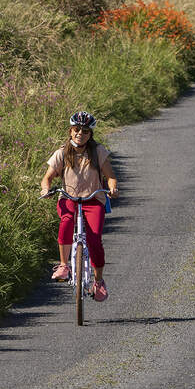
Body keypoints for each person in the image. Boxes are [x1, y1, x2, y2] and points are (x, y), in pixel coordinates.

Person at [40, 111, 119, 301]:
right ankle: (63, 265)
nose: (79, 134)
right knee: (66, 221)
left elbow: (111, 177)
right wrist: (46, 189)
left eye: (84, 131)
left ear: (90, 134)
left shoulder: (98, 152)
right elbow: (47, 178)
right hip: (69, 198)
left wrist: (112, 188)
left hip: (93, 199)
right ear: (70, 131)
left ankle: (98, 282)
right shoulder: (62, 152)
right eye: (76, 130)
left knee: (94, 240)